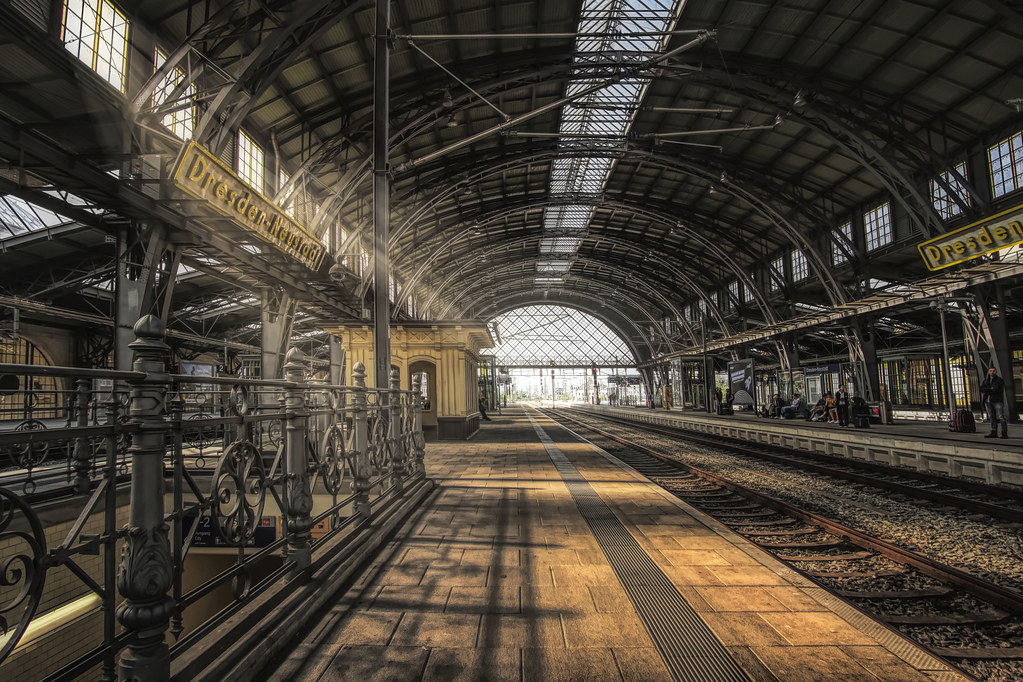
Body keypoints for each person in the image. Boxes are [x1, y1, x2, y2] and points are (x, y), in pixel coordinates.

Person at [979, 366, 1008, 439]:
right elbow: (981, 389)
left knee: (1001, 417)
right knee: (992, 417)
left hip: (997, 401)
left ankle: (1004, 432)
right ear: (988, 372)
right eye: (991, 371)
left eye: (993, 371)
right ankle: (994, 431)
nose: (992, 372)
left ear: (996, 372)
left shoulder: (999, 380)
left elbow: (997, 389)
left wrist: (987, 390)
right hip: (988, 401)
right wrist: (990, 389)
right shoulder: (986, 381)